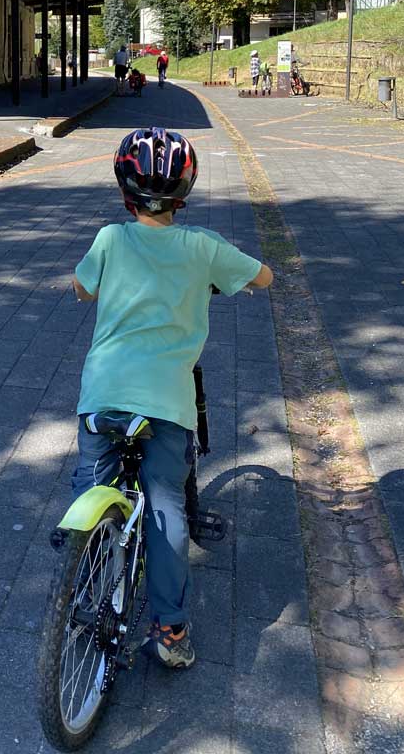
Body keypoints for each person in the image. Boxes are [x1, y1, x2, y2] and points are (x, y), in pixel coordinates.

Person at [71, 128, 273, 669]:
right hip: (166, 404)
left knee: (92, 479)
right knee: (165, 504)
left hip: (103, 396)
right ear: (185, 193)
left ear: (123, 192)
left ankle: (84, 564)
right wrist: (221, 279)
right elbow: (265, 277)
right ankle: (171, 631)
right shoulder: (204, 248)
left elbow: (80, 287)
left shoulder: (110, 240)